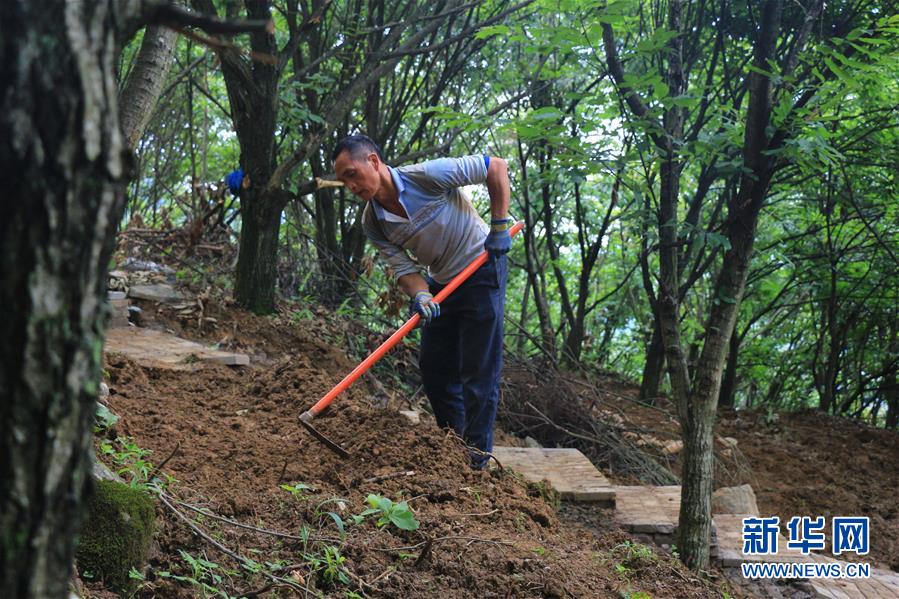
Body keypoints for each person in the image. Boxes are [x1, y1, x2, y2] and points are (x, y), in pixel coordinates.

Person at [331, 135, 512, 469]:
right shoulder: (373, 222)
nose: (350, 186)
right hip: (442, 283)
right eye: (343, 181)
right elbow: (404, 269)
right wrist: (421, 294)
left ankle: (477, 460)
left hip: (481, 267)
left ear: (373, 161)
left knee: (478, 371)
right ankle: (454, 447)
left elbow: (495, 167)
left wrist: (499, 225)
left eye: (352, 174)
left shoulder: (427, 176)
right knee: (434, 369)